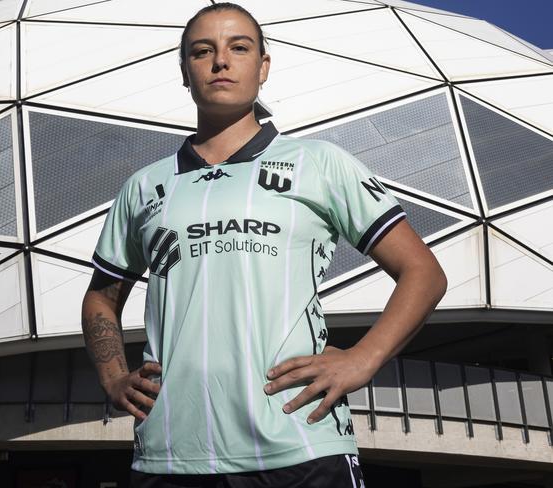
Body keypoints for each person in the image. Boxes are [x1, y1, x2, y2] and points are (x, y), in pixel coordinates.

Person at [80, 3, 447, 487]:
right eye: (202, 51)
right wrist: (112, 378)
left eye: (239, 47)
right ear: (184, 71)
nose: (220, 61)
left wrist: (364, 357)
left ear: (264, 66)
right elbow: (101, 298)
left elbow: (423, 273)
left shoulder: (318, 163)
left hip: (300, 443)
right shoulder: (144, 186)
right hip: (170, 456)